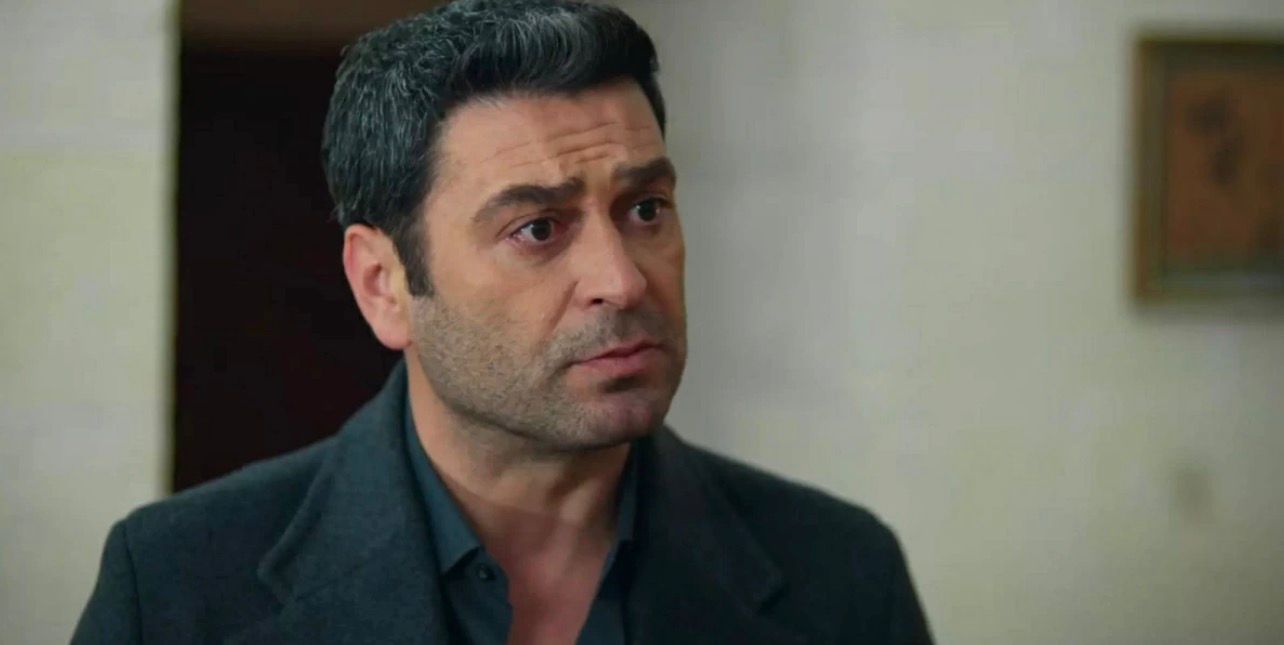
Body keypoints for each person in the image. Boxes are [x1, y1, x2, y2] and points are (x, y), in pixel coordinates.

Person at [73, 1, 932, 643]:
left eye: (645, 209)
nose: (622, 279)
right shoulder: (180, 587)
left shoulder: (841, 577)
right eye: (538, 229)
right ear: (384, 284)